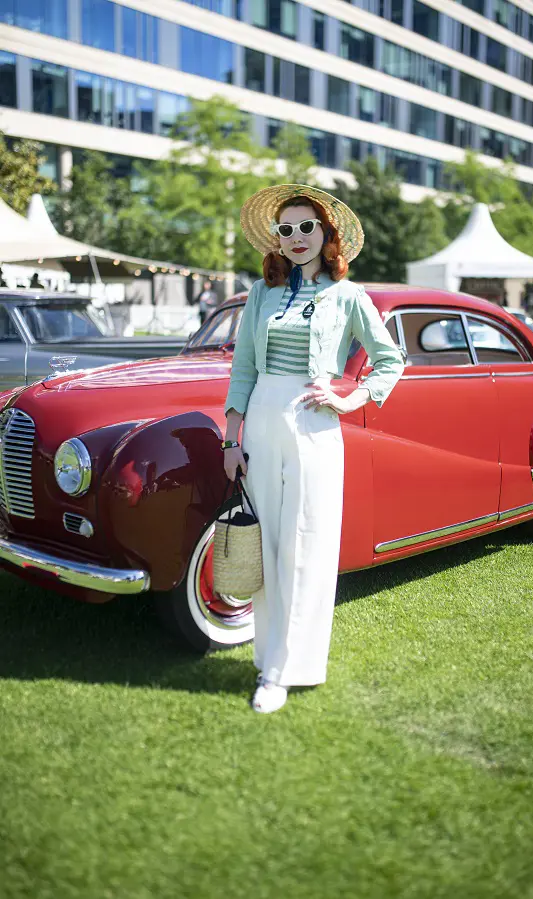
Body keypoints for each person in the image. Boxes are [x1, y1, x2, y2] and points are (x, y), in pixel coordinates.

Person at [222, 184, 406, 714]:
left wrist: (350, 398)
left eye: (308, 227)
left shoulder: (349, 296)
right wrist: (230, 438)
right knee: (267, 544)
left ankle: (286, 671)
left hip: (314, 426)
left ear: (326, 235)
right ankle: (268, 660)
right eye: (287, 229)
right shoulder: (260, 293)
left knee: (306, 546)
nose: (297, 237)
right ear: (276, 239)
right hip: (260, 423)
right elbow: (243, 370)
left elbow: (389, 360)